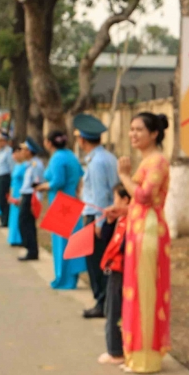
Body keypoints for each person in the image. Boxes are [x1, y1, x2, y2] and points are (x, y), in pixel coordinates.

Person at [115, 111, 171, 375]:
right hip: (137, 229)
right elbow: (138, 201)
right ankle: (135, 354)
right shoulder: (146, 161)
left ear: (154, 134)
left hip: (149, 231)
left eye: (139, 129)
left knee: (146, 292)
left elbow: (145, 196)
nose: (133, 134)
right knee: (136, 291)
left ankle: (146, 358)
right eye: (131, 129)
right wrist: (121, 211)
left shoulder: (157, 161)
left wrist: (124, 176)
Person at [73, 114, 119, 320]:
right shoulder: (107, 157)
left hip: (98, 217)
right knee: (103, 261)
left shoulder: (97, 162)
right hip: (107, 216)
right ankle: (105, 301)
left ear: (82, 140)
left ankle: (102, 302)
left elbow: (101, 194)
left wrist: (99, 222)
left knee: (96, 263)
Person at [38, 130, 85, 289]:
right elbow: (79, 175)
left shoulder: (57, 158)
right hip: (72, 200)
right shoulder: (71, 155)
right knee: (72, 241)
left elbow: (57, 181)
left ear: (49, 143)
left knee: (61, 243)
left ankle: (63, 278)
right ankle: (72, 277)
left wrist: (42, 186)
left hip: (61, 203)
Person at [98, 184, 131, 365]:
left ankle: (116, 351)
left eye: (116, 199)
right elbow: (105, 238)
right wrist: (109, 222)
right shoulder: (120, 220)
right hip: (115, 269)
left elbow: (124, 247)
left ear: (125, 200)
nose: (114, 203)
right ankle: (116, 348)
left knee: (114, 310)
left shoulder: (132, 221)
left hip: (121, 271)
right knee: (111, 307)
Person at [16, 138, 44, 262]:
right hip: (26, 196)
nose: (21, 152)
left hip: (31, 198)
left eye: (23, 150)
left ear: (29, 151)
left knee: (26, 224)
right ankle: (30, 249)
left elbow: (37, 185)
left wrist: (35, 202)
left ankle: (32, 250)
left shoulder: (36, 165)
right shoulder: (30, 164)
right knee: (24, 223)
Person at [0, 132, 15, 228]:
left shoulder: (8, 152)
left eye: (0, 141)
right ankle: (3, 219)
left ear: (5, 141)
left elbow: (12, 167)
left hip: (5, 177)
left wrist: (11, 182)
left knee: (3, 199)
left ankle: (5, 220)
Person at [6, 145, 28, 247]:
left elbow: (25, 182)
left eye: (16, 153)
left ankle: (20, 239)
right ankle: (13, 238)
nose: (14, 155)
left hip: (20, 192)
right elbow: (12, 180)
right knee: (13, 216)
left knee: (19, 216)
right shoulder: (16, 165)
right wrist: (10, 193)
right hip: (14, 191)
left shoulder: (25, 166)